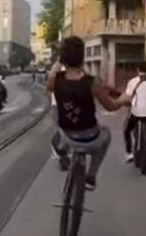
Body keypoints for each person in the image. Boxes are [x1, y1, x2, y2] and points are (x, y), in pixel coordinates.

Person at [47, 36, 128, 189]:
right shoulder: (92, 82)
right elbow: (110, 107)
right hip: (91, 139)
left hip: (68, 136)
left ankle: (62, 148)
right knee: (107, 134)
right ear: (82, 57)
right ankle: (91, 176)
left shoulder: (55, 80)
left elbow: (51, 81)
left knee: (59, 127)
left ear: (62, 58)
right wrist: (122, 100)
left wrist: (58, 63)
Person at [122, 62, 146, 163]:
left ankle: (129, 153)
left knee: (126, 130)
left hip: (136, 111)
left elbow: (128, 96)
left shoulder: (133, 81)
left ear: (137, 69)